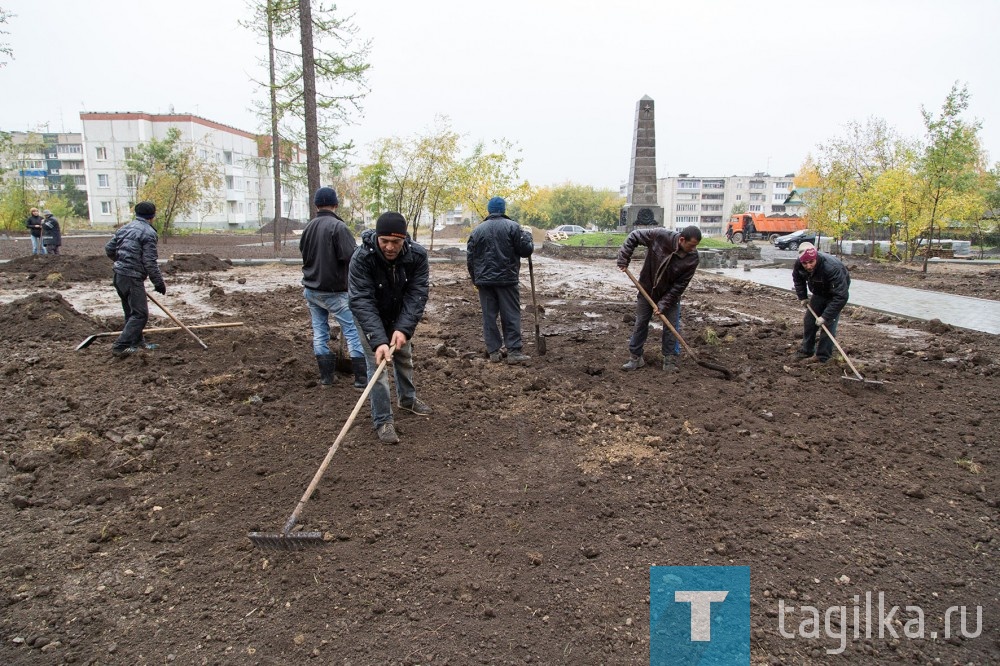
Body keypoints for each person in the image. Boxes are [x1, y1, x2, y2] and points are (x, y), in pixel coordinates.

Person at [348, 212, 431, 444]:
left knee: (404, 356)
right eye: (384, 241)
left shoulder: (417, 256)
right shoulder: (362, 257)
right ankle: (383, 419)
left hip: (399, 314)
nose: (390, 247)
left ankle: (407, 399)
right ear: (377, 236)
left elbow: (417, 294)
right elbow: (361, 300)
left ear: (405, 239)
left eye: (396, 241)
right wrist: (378, 341)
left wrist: (403, 329)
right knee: (378, 367)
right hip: (368, 316)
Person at [299, 186, 367, 388]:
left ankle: (326, 378)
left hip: (311, 290)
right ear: (336, 205)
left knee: (319, 332)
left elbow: (304, 252)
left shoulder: (308, 228)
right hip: (335, 291)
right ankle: (361, 379)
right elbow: (351, 257)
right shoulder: (338, 227)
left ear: (316, 206)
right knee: (353, 330)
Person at [617, 225, 702, 372]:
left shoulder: (692, 259)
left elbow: (680, 285)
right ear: (682, 239)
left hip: (670, 295)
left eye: (696, 246)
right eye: (692, 245)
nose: (693, 249)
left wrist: (663, 304)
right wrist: (624, 257)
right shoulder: (660, 236)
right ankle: (635, 358)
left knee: (671, 326)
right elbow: (634, 236)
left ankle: (669, 361)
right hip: (647, 290)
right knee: (641, 323)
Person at [466, 196, 535, 364]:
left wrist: (476, 279)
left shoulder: (477, 230)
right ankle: (513, 351)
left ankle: (494, 351)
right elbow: (526, 251)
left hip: (485, 282)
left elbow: (470, 258)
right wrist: (527, 238)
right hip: (507, 280)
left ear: (489, 210)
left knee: (488, 316)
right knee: (510, 314)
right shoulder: (513, 227)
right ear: (503, 210)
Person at [104, 201, 167, 358]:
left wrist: (121, 262)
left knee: (131, 312)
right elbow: (150, 261)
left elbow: (109, 249)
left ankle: (136, 342)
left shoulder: (124, 228)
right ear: (152, 216)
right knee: (140, 314)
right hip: (131, 277)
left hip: (119, 275)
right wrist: (158, 283)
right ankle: (120, 346)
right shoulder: (149, 233)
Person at [792, 243, 850, 363]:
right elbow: (798, 279)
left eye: (811, 262)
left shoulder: (832, 267)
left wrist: (825, 316)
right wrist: (803, 297)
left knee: (828, 325)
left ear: (816, 258)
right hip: (819, 292)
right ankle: (807, 350)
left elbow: (841, 296)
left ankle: (822, 357)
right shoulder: (799, 264)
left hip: (835, 295)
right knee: (809, 320)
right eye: (805, 263)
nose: (808, 266)